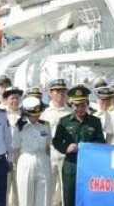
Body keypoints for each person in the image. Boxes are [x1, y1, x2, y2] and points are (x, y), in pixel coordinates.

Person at [52, 86, 105, 206]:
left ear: (87, 104)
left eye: (82, 105)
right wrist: (66, 148)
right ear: (71, 104)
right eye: (76, 105)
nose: (79, 108)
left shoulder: (95, 122)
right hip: (71, 164)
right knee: (69, 197)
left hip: (89, 165)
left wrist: (88, 146)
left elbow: (101, 142)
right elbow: (56, 141)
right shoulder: (64, 122)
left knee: (89, 197)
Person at [14, 97, 52, 206]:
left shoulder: (45, 125)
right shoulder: (19, 127)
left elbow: (48, 147)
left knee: (44, 196)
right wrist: (18, 165)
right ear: (26, 113)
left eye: (38, 113)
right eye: (33, 114)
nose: (36, 116)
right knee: (25, 196)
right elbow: (16, 148)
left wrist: (47, 161)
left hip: (42, 158)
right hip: (26, 158)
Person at [40, 78, 70, 206]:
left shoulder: (71, 112)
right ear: (50, 93)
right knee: (47, 191)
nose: (60, 94)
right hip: (49, 156)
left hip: (66, 157)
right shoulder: (44, 114)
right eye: (57, 91)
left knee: (66, 192)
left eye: (63, 91)